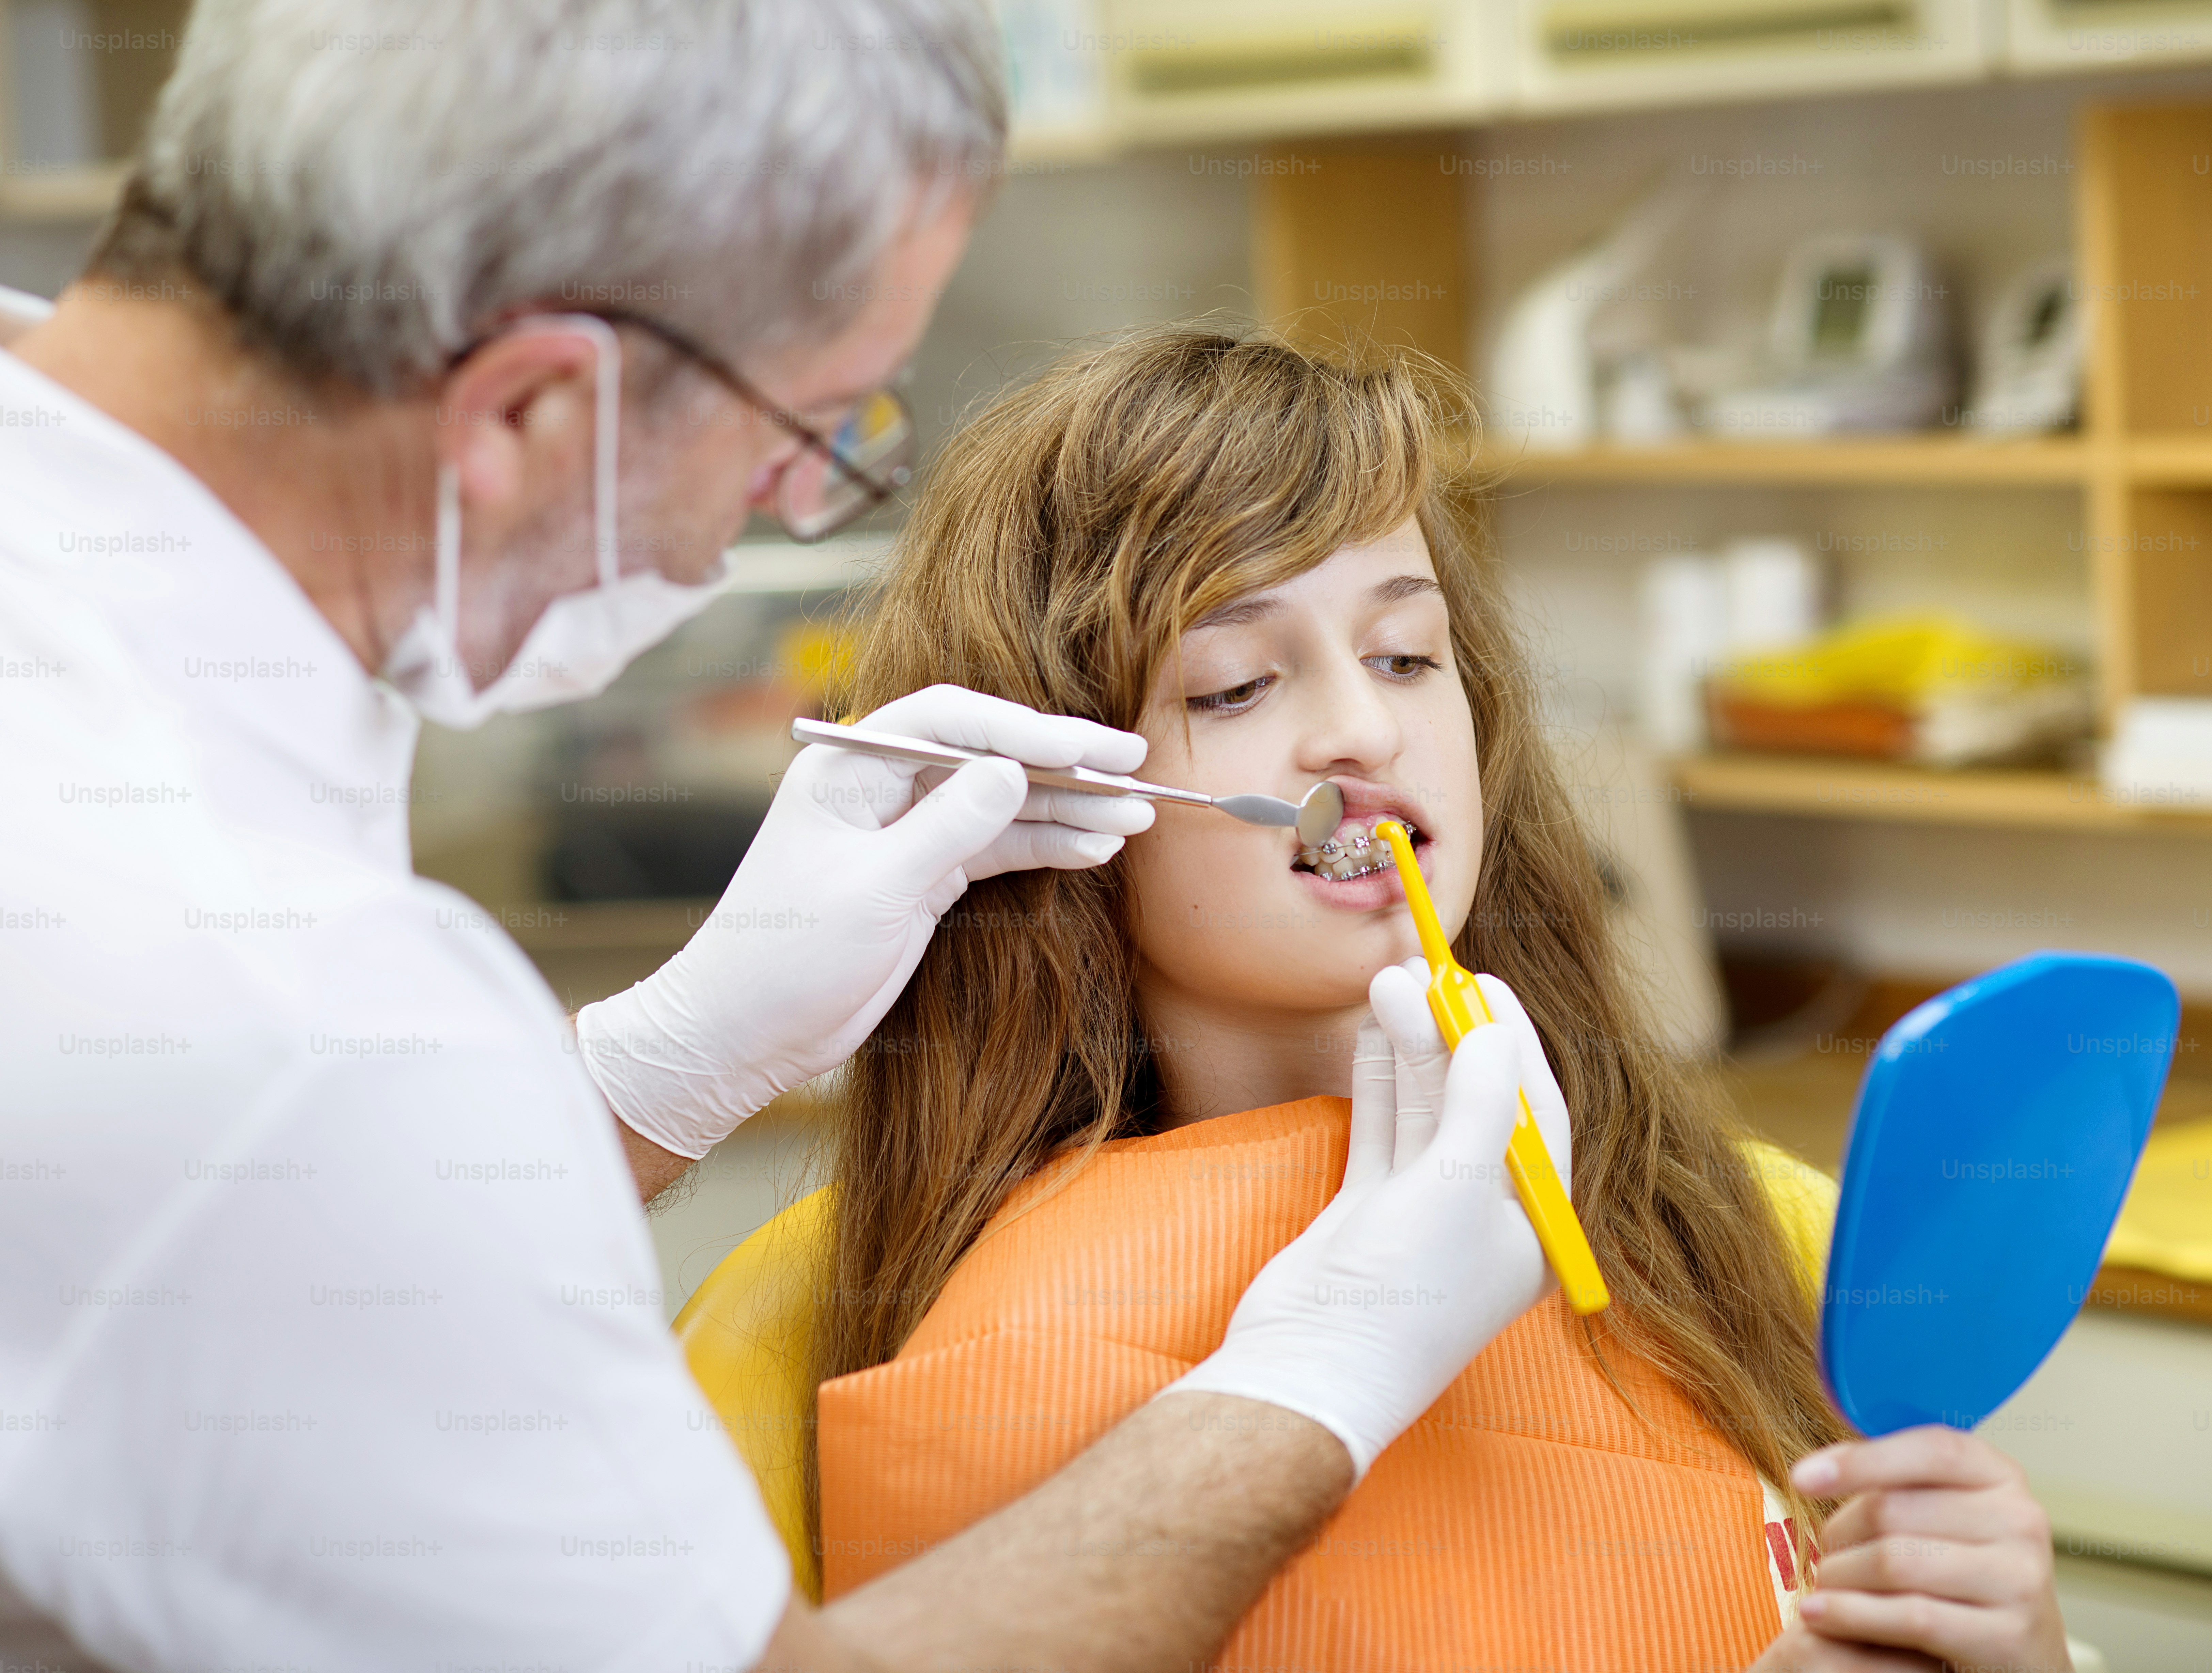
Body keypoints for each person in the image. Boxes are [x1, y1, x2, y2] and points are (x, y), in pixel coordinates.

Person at [0, 5, 1565, 1670]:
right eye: (803, 438)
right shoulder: (256, 1004)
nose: (780, 510)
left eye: (1409, 655)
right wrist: (1312, 1384)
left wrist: (652, 1073)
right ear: (532, 410)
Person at [768, 324, 2077, 1672]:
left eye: (1405, 656)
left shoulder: (1729, 1234)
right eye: (1235, 680)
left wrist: (2009, 1650)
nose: (1364, 731)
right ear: (1046, 794)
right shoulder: (1018, 1345)